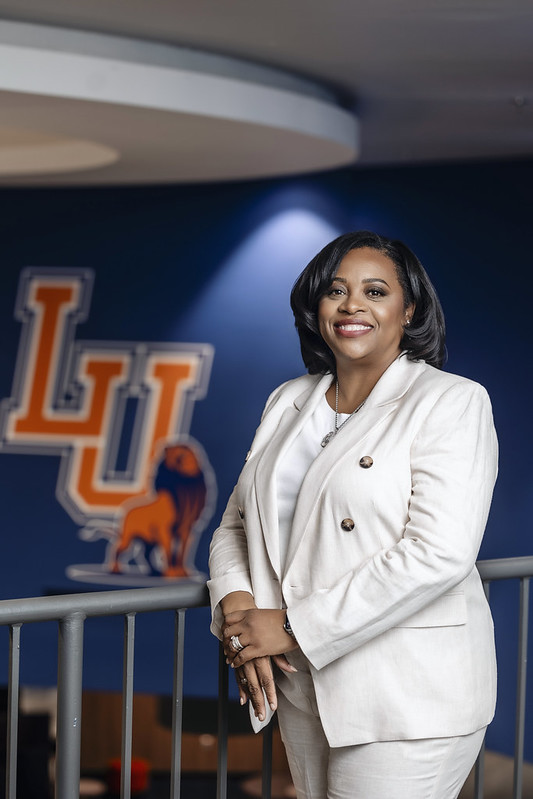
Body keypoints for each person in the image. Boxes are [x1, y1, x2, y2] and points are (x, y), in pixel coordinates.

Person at [208, 231, 498, 799]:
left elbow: (439, 552)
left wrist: (288, 628)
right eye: (335, 291)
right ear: (315, 308)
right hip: (302, 690)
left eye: (375, 291)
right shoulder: (287, 400)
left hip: (408, 695)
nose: (352, 306)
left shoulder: (452, 401)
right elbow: (235, 525)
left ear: (408, 309)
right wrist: (239, 609)